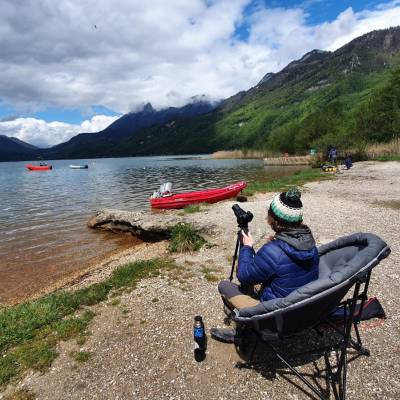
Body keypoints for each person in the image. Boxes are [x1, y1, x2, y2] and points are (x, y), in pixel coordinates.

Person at [211, 187, 319, 343]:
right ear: (299, 221)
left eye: (269, 212)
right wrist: (277, 244)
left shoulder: (273, 251)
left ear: (274, 220)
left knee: (224, 285)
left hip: (276, 316)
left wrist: (247, 246)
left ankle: (242, 333)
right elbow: (287, 265)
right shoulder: (310, 244)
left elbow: (244, 275)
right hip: (303, 310)